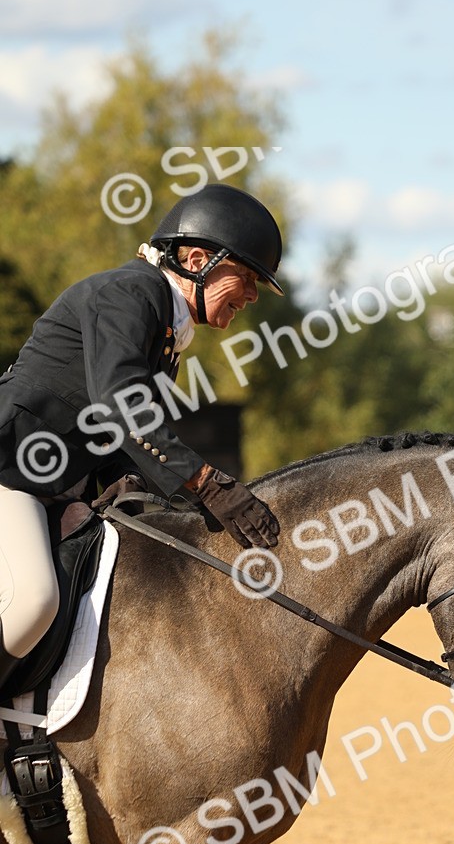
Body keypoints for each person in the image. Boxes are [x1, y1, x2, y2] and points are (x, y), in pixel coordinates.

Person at [0, 183, 282, 694]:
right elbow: (119, 404)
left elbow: (109, 430)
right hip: (10, 472)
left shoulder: (167, 326)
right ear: (197, 259)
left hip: (51, 487)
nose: (252, 296)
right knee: (32, 601)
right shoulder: (132, 293)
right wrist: (205, 482)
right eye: (246, 277)